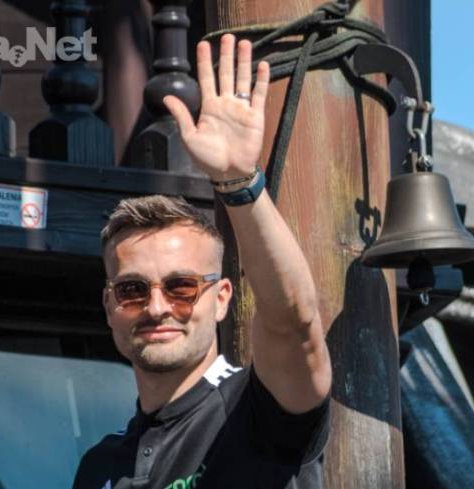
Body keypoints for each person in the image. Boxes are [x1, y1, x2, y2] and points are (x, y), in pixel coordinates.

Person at [72, 34, 332, 489]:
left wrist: (239, 183)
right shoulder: (99, 467)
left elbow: (294, 321)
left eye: (181, 287)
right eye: (132, 290)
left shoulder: (257, 410)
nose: (157, 307)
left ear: (222, 298)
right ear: (109, 305)